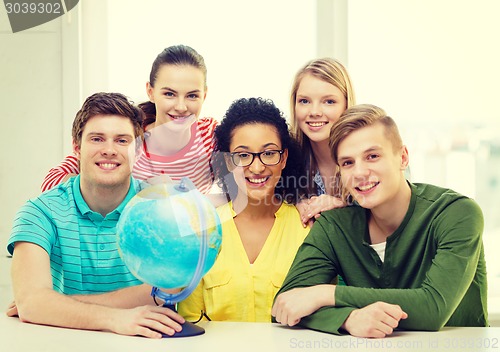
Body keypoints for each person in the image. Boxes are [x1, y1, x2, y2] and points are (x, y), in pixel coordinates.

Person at [272, 104, 488, 338]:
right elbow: (285, 306)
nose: (360, 172)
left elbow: (433, 307)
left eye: (372, 156)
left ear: (403, 157)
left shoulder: (456, 213)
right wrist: (347, 319)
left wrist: (326, 294)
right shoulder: (333, 226)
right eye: (347, 163)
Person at [6, 92, 185, 338]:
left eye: (122, 140)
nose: (109, 150)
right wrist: (116, 318)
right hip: (61, 343)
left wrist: (56, 304)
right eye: (97, 139)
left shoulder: (162, 208)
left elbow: (169, 289)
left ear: (139, 150)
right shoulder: (38, 212)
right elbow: (31, 304)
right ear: (77, 148)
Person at [177, 97, 310, 322]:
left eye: (268, 153)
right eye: (243, 155)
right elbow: (191, 324)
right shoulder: (204, 231)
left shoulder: (307, 229)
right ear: (228, 161)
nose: (257, 168)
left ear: (284, 158)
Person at [41, 45, 217, 194]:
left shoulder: (209, 136)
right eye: (169, 94)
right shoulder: (128, 137)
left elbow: (237, 195)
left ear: (205, 95)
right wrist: (140, 191)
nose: (181, 106)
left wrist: (183, 199)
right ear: (151, 92)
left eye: (192, 96)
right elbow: (51, 182)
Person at [290, 58, 356, 226]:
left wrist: (342, 205)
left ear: (346, 105)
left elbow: (394, 208)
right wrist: (295, 205)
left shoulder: (371, 150)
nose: (314, 112)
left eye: (329, 102)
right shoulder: (286, 157)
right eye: (304, 101)